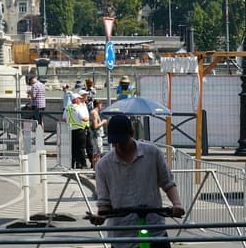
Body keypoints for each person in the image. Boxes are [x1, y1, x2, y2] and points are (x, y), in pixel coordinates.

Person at [91, 114, 185, 248]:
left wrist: (177, 204)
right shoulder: (103, 166)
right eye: (114, 142)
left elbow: (168, 183)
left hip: (154, 231)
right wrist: (101, 216)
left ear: (132, 134)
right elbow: (104, 202)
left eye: (122, 141)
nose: (118, 146)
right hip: (121, 236)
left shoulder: (153, 153)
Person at [64, 90, 90, 169]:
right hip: (80, 130)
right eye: (78, 98)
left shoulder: (67, 108)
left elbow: (64, 118)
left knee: (73, 148)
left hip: (71, 130)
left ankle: (72, 164)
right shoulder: (78, 108)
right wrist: (88, 118)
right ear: (75, 99)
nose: (79, 100)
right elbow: (84, 119)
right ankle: (83, 164)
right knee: (81, 148)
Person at [90, 98, 107, 166]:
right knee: (98, 153)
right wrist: (103, 122)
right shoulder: (94, 113)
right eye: (101, 105)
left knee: (95, 153)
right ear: (98, 105)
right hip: (96, 135)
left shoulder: (94, 112)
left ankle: (95, 171)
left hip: (95, 135)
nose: (101, 106)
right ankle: (97, 171)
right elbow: (95, 126)